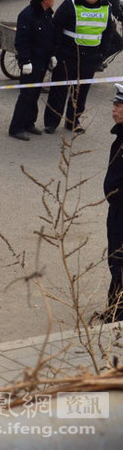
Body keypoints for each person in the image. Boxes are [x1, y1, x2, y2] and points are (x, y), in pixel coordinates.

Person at [44, 0, 116, 134]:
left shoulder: (106, 7)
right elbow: (55, 28)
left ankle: (72, 122)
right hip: (67, 56)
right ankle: (51, 123)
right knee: (58, 91)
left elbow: (108, 33)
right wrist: (56, 53)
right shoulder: (70, 4)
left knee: (80, 93)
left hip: (90, 59)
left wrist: (101, 55)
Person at [7, 0, 57, 141]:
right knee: (26, 95)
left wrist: (51, 55)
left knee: (35, 94)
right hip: (31, 63)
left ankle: (29, 122)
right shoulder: (27, 15)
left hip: (42, 61)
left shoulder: (48, 13)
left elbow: (49, 38)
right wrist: (25, 61)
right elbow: (21, 41)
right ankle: (16, 127)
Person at [98, 84, 123, 323]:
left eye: (119, 106)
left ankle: (119, 313)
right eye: (114, 105)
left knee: (120, 261)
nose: (114, 110)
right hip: (116, 211)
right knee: (116, 259)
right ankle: (113, 308)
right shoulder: (120, 134)